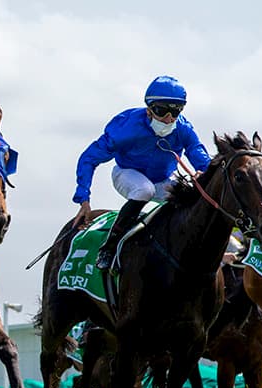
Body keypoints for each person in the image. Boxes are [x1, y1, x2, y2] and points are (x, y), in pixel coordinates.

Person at [72, 75, 211, 270]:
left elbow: (198, 154)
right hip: (126, 173)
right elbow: (89, 158)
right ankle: (109, 247)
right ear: (149, 110)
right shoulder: (126, 127)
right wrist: (84, 198)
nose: (169, 118)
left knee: (191, 199)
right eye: (162, 111)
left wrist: (205, 172)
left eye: (175, 111)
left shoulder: (183, 129)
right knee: (145, 190)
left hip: (163, 180)